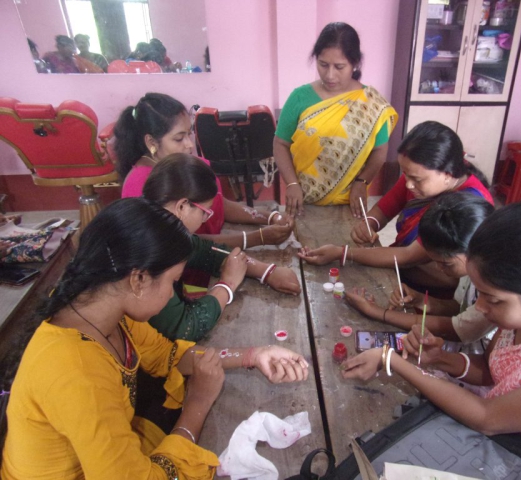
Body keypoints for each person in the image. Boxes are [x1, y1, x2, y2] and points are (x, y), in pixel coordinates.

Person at [0, 198, 309, 479]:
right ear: (139, 279)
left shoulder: (96, 304)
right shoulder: (77, 373)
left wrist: (254, 355)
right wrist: (197, 404)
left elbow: (167, 354)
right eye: (174, 282)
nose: (174, 292)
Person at [342, 192, 521, 478]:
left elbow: (488, 418)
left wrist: (391, 359)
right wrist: (440, 359)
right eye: (479, 294)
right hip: (500, 435)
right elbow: (489, 370)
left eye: (491, 299)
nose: (480, 308)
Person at [299, 121, 493, 292]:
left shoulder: (469, 206)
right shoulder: (421, 175)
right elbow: (387, 206)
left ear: (448, 174)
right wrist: (370, 224)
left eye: (415, 179)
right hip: (402, 267)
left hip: (427, 289)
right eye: (405, 174)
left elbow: (409, 257)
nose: (408, 184)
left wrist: (342, 253)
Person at [142, 153, 301, 341]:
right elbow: (185, 327)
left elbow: (206, 250)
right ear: (183, 207)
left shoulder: (161, 226)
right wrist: (227, 285)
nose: (204, 220)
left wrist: (266, 271)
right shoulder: (151, 250)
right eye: (205, 212)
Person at [114, 92, 294, 250]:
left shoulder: (184, 165)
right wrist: (257, 238)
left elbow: (217, 203)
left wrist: (270, 216)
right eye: (179, 139)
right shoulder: (140, 186)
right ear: (152, 142)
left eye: (189, 133)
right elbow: (182, 245)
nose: (189, 144)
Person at [273, 22, 398, 217]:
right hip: (304, 199)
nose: (330, 75)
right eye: (323, 64)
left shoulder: (370, 103)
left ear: (355, 63)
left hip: (349, 202)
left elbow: (380, 149)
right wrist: (291, 183)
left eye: (339, 67)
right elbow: (280, 143)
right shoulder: (299, 97)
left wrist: (362, 182)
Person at [344, 192, 495, 352]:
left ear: (474, 250)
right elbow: (459, 308)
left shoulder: (492, 290)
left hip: (469, 357)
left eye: (446, 264)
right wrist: (422, 301)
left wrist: (377, 312)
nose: (438, 268)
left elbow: (457, 330)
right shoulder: (470, 267)